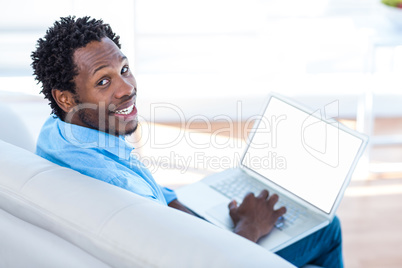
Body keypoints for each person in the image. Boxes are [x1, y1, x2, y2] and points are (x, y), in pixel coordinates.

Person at [31, 16, 343, 267]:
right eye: (103, 81)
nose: (127, 88)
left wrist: (200, 217)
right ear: (66, 97)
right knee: (328, 229)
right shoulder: (118, 188)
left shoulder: (57, 133)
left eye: (124, 69)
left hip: (185, 236)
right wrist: (249, 226)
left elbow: (157, 201)